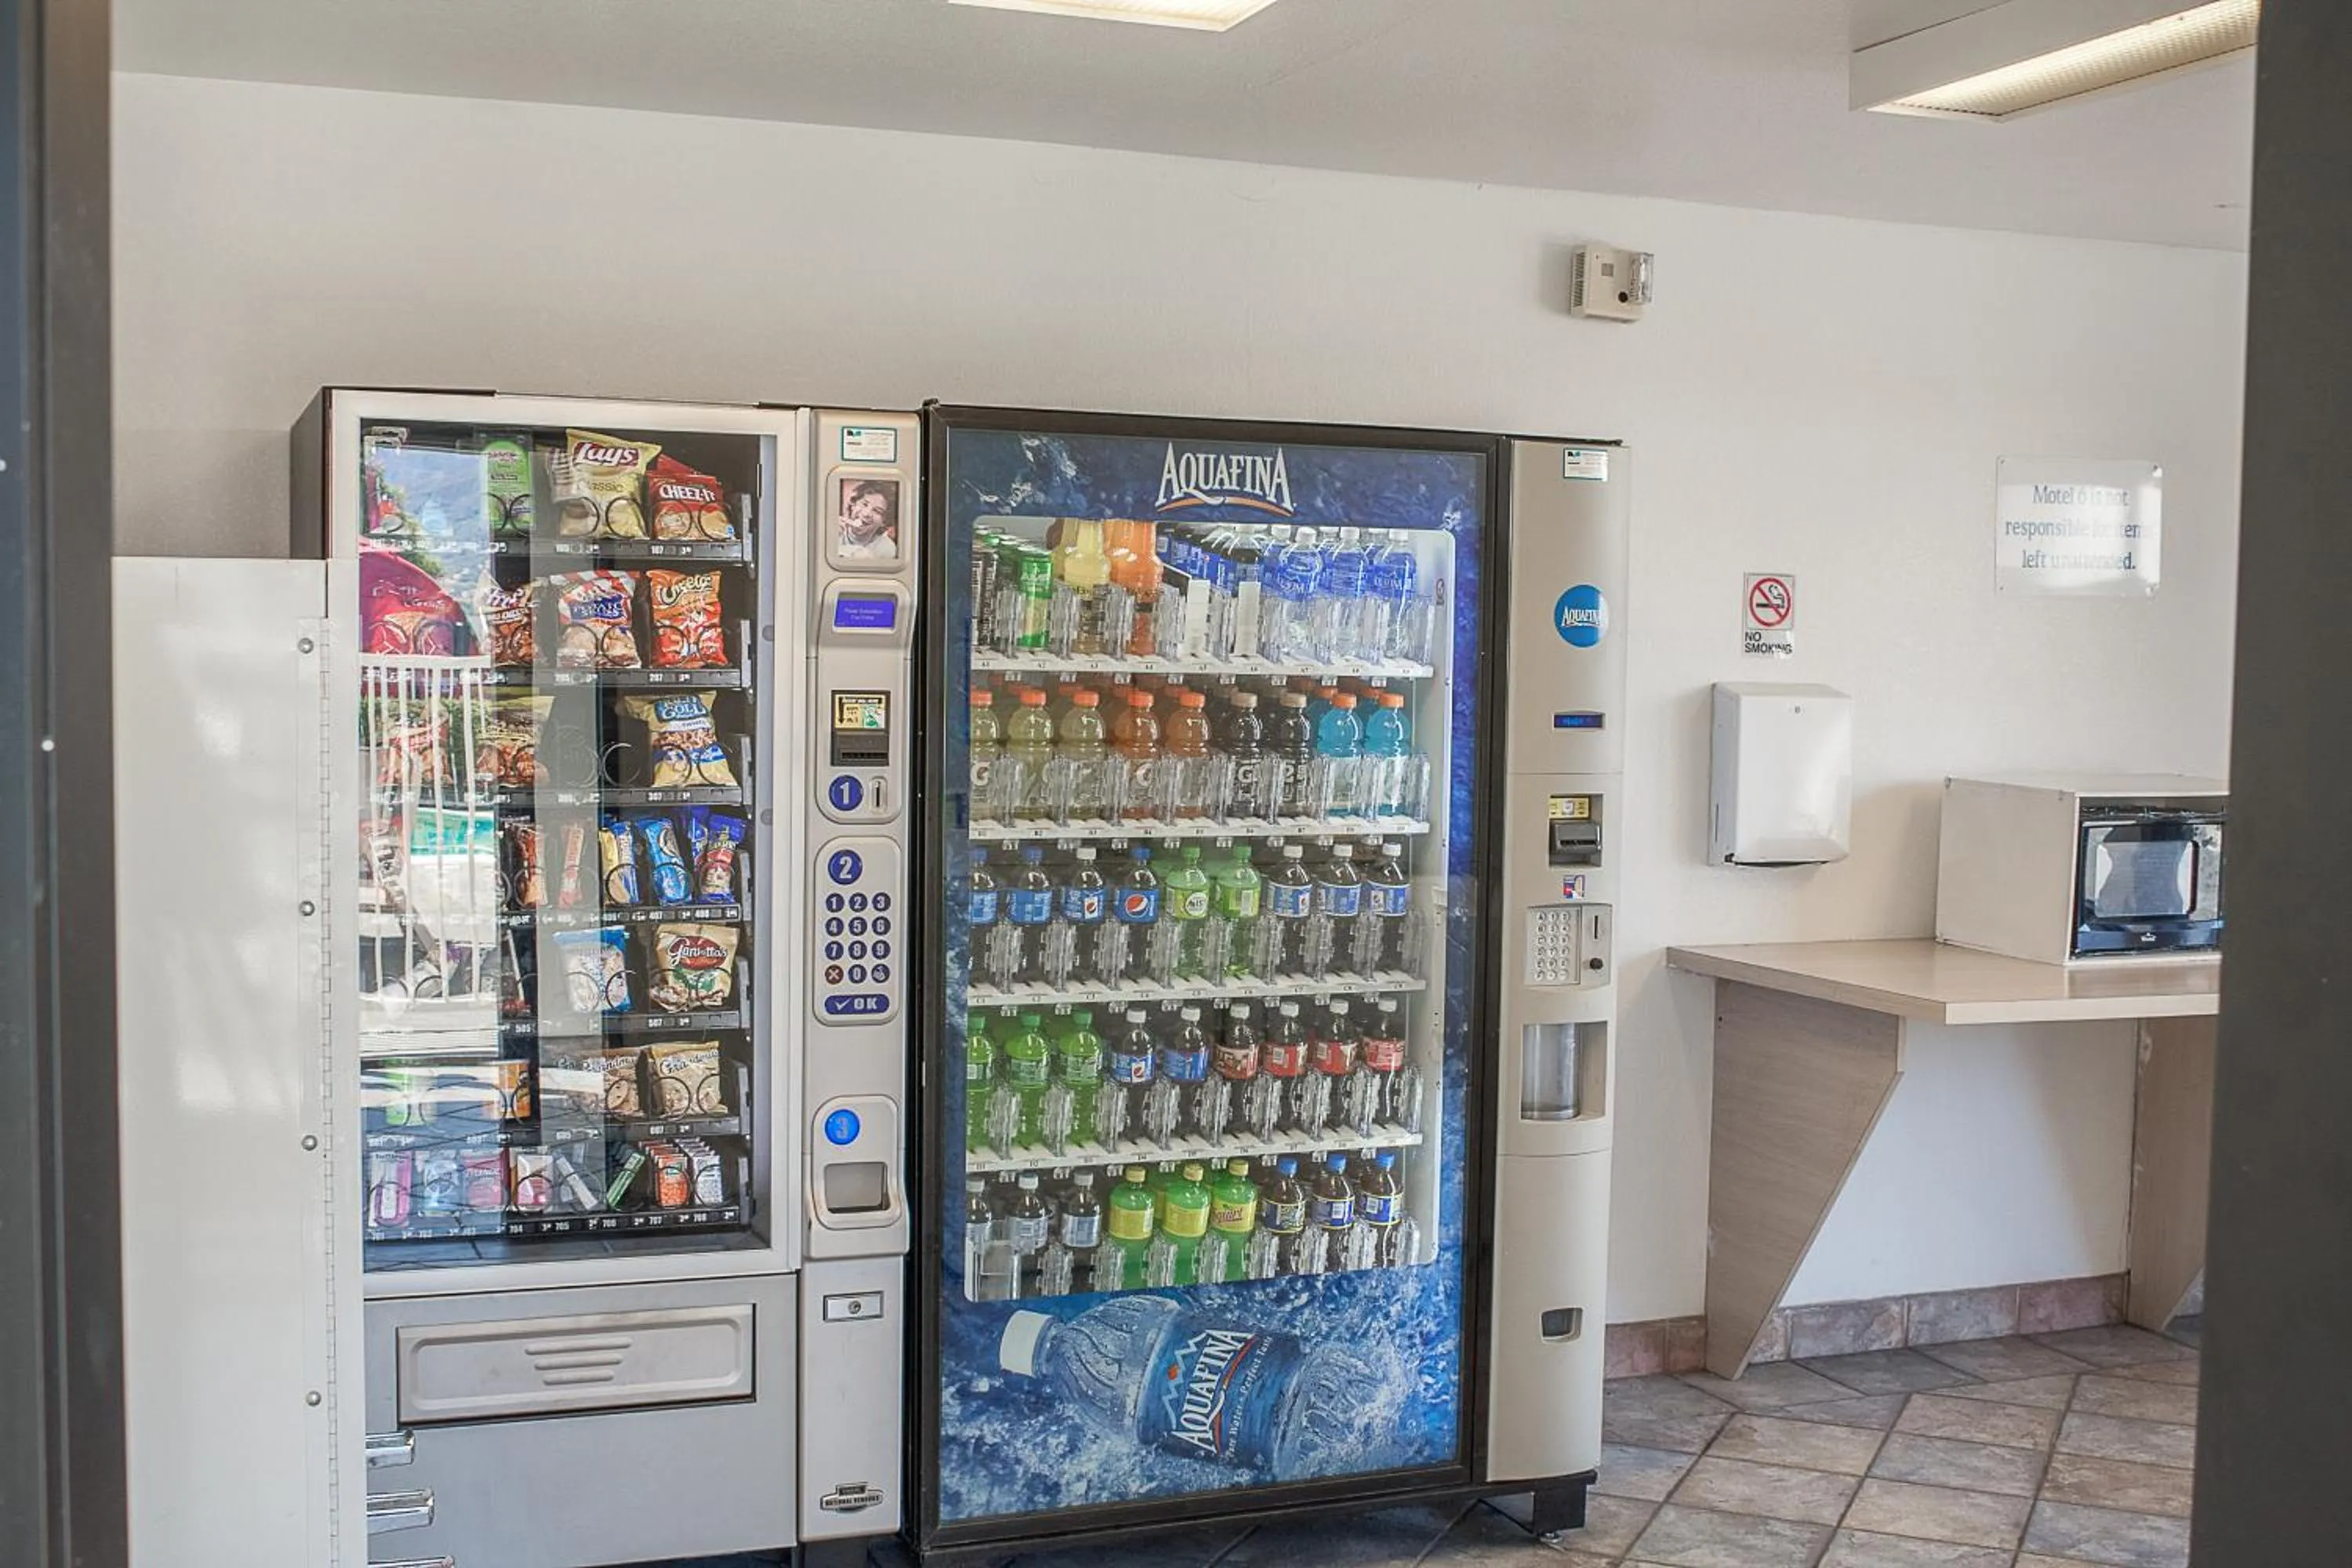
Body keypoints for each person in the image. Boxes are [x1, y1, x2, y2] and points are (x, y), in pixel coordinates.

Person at [837, 477, 899, 560]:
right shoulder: (833, 532)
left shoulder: (887, 549)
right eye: (864, 504)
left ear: (884, 521)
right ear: (853, 505)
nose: (866, 514)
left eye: (877, 511)